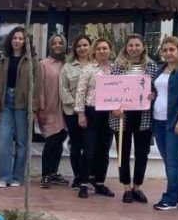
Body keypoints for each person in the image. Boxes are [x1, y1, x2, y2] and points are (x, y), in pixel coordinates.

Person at [109, 34, 161, 203]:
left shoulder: (152, 66)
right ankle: (126, 187)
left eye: (137, 45)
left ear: (143, 47)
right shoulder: (118, 66)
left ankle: (137, 186)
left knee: (142, 153)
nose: (134, 48)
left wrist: (154, 95)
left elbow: (157, 89)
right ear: (126, 47)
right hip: (122, 116)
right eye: (130, 45)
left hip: (143, 115)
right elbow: (111, 90)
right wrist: (114, 107)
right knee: (123, 153)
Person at [0, 26, 39, 188]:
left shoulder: (32, 61)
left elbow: (36, 87)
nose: (17, 41)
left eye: (21, 38)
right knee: (4, 140)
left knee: (21, 142)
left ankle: (18, 176)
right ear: (10, 41)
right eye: (15, 38)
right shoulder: (3, 60)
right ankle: (5, 176)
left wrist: (33, 109)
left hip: (23, 104)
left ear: (26, 42)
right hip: (5, 103)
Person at [152, 36, 178, 211]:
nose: (168, 53)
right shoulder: (160, 70)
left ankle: (170, 199)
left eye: (172, 49)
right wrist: (152, 96)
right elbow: (160, 92)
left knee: (173, 161)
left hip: (176, 121)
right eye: (165, 50)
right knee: (168, 160)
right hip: (158, 120)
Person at [75, 37, 116, 199]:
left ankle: (99, 183)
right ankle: (84, 183)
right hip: (91, 112)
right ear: (94, 51)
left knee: (104, 150)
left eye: (105, 48)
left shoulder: (116, 69)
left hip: (109, 113)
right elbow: (81, 91)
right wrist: (81, 113)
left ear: (110, 50)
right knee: (88, 149)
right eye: (98, 48)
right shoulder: (89, 69)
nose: (102, 51)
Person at [59, 35, 92, 189]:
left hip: (92, 112)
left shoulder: (96, 66)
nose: (82, 48)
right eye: (79, 46)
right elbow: (63, 89)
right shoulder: (68, 67)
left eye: (85, 45)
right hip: (72, 112)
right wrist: (78, 106)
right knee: (76, 144)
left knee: (89, 145)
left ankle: (88, 176)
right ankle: (78, 177)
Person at [37, 34, 69, 189]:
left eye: (60, 43)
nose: (57, 45)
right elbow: (40, 87)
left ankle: (54, 173)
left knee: (60, 140)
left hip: (65, 110)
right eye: (54, 43)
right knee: (51, 141)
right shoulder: (43, 64)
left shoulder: (68, 63)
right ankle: (45, 174)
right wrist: (41, 108)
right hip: (49, 109)